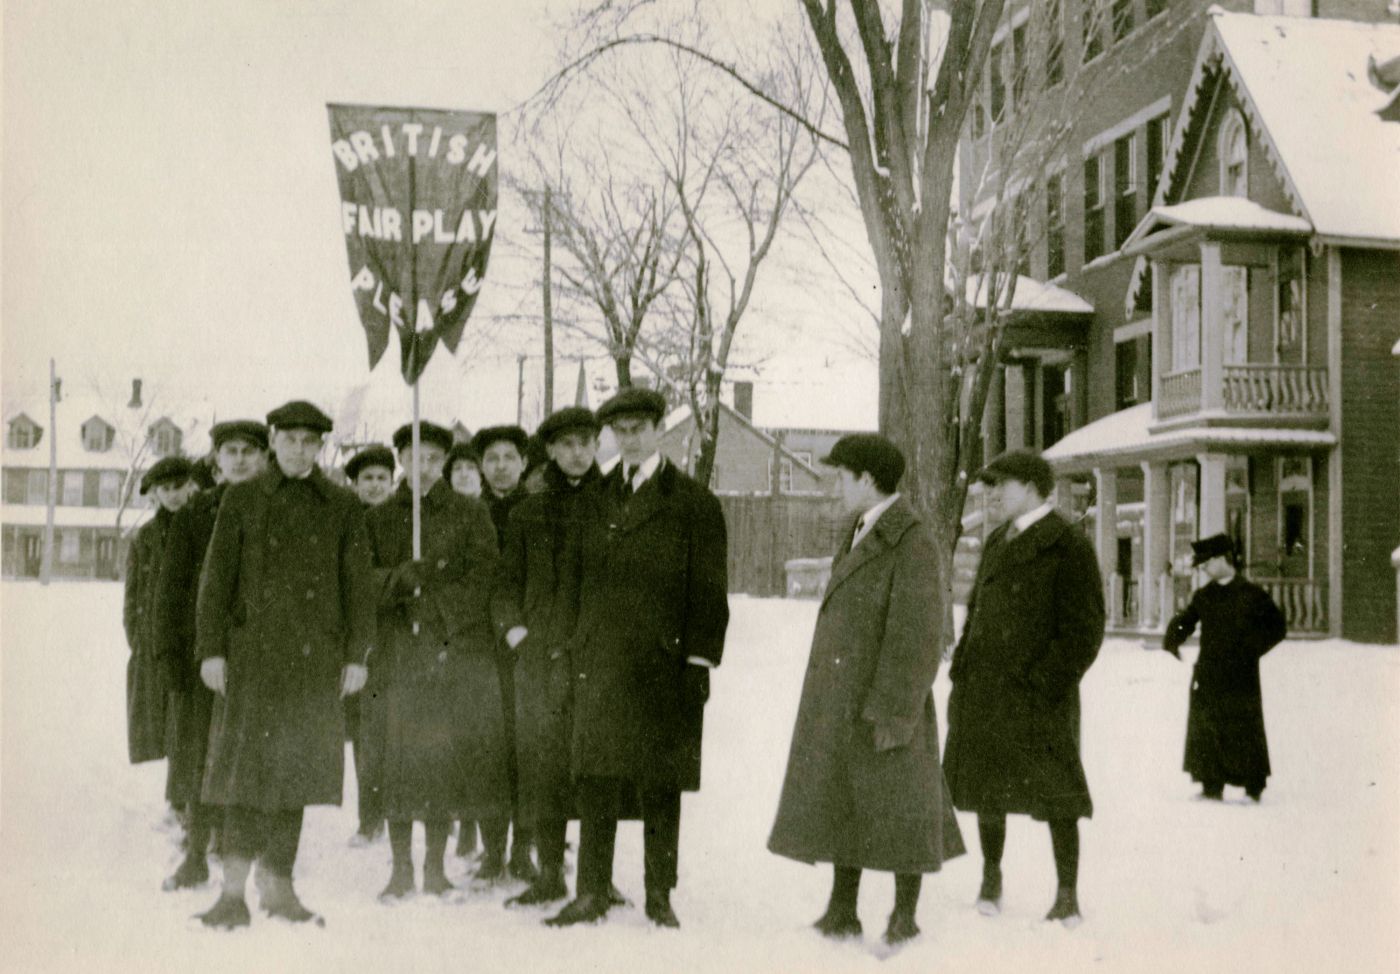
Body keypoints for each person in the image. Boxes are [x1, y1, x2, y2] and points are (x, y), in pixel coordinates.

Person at [768, 434, 965, 947]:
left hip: (885, 702)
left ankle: (905, 916)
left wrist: (895, 710)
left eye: (841, 476)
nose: (835, 485)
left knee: (904, 811)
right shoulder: (861, 529)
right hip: (845, 700)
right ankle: (842, 909)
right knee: (846, 801)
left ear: (868, 480)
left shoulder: (912, 539)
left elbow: (919, 634)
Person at [546, 387, 728, 930]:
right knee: (595, 778)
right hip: (598, 663)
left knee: (659, 782)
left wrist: (698, 663)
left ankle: (658, 893)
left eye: (639, 429)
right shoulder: (591, 500)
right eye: (619, 431)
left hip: (662, 667)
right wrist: (567, 647)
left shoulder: (694, 503)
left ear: (657, 430)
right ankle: (592, 892)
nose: (629, 439)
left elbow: (710, 592)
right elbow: (570, 586)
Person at [193, 400, 375, 929]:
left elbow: (358, 590)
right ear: (273, 441)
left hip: (313, 664)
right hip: (250, 662)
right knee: (242, 777)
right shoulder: (242, 499)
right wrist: (211, 650)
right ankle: (231, 894)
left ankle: (278, 888)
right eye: (290, 438)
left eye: (309, 441)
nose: (299, 448)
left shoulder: (341, 506)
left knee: (294, 778)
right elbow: (215, 583)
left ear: (321, 447)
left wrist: (356, 657)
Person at [943, 449, 1104, 927]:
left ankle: (1067, 893)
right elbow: (975, 612)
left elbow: (1085, 630)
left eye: (1001, 486)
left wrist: (1046, 681)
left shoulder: (1067, 544)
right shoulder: (997, 541)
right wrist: (963, 668)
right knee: (989, 790)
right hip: (987, 691)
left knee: (1058, 795)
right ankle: (992, 877)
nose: (991, 495)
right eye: (988, 487)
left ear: (1034, 487)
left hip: (1039, 696)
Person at [367, 421, 512, 900]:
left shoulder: (468, 514)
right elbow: (360, 577)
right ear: (400, 461)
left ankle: (434, 867)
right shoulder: (379, 516)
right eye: (414, 457)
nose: (423, 467)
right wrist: (397, 582)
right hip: (396, 654)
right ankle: (399, 868)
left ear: (444, 462)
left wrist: (438, 606)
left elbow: (485, 577)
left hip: (447, 652)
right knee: (396, 761)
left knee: (437, 761)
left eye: (433, 458)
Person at [491, 407, 605, 907]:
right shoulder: (528, 512)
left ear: (597, 445)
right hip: (540, 660)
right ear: (552, 451)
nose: (577, 452)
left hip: (598, 659)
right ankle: (550, 871)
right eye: (566, 444)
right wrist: (516, 634)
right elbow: (505, 586)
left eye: (585, 442)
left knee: (599, 768)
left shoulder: (616, 505)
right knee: (545, 766)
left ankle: (597, 879)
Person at [155, 420, 268, 891]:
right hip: (204, 658)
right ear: (216, 459)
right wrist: (173, 657)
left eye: (249, 451)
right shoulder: (195, 514)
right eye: (230, 451)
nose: (239, 459)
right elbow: (170, 592)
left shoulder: (275, 509)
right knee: (201, 755)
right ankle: (196, 854)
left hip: (259, 658)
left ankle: (240, 845)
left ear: (263, 457)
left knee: (250, 754)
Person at [1163, 533, 1287, 802]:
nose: (1204, 568)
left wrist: (1253, 649)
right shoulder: (1205, 595)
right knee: (1207, 727)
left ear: (1221, 559)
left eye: (1207, 563)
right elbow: (1187, 619)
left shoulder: (1252, 595)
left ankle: (1253, 786)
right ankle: (1211, 783)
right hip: (1209, 671)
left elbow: (1277, 627)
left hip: (1241, 675)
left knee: (1245, 727)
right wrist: (1173, 638)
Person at [470, 424, 536, 883]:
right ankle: (491, 849)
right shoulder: (467, 515)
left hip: (525, 644)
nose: (500, 466)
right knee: (485, 748)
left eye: (509, 457)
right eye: (491, 458)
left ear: (524, 463)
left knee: (527, 749)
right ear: (480, 466)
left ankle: (523, 849)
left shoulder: (538, 513)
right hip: (478, 648)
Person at [124, 456, 196, 768]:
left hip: (191, 636)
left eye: (179, 486)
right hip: (154, 640)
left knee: (188, 719)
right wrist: (138, 635)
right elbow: (133, 592)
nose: (173, 495)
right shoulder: (146, 537)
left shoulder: (204, 524)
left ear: (191, 485)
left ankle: (184, 795)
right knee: (159, 716)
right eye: (165, 489)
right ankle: (176, 797)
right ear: (155, 493)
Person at [342, 443, 397, 847]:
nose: (375, 485)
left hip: (393, 639)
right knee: (363, 734)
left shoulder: (401, 520)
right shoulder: (346, 521)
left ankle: (400, 815)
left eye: (382, 478)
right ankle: (369, 818)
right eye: (367, 479)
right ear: (355, 485)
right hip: (354, 642)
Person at [443, 439, 484, 859]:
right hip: (454, 638)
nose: (465, 476)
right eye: (457, 471)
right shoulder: (440, 519)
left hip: (495, 638)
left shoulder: (495, 511)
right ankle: (464, 821)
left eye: (471, 469)